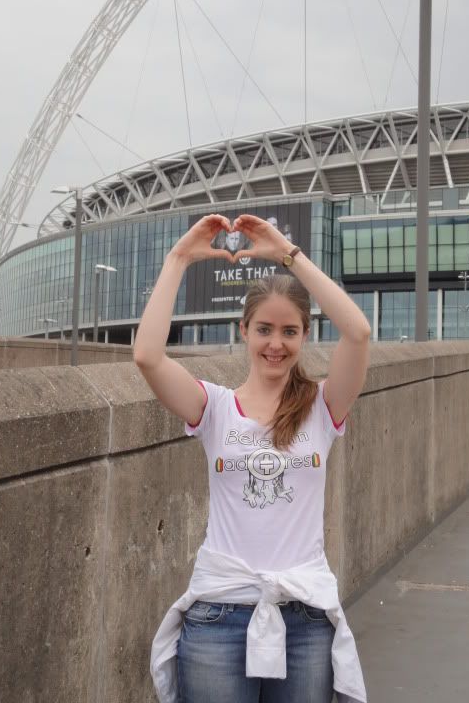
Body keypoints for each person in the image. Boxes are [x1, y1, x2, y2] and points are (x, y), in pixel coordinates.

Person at [134, 212, 371, 703]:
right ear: (244, 330)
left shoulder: (322, 408)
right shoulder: (215, 407)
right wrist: (179, 258)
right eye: (264, 329)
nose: (276, 344)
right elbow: (148, 357)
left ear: (305, 335)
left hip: (304, 617)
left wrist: (289, 254)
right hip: (219, 616)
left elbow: (358, 333)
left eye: (290, 331)